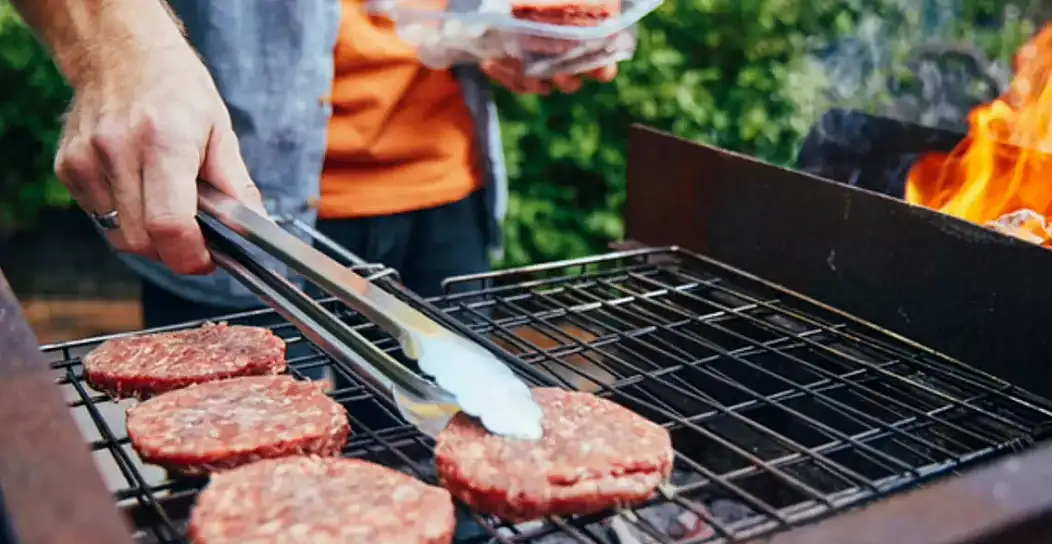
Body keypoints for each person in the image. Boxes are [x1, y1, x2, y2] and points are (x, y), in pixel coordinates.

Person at [10, 0, 619, 330]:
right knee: (244, 501)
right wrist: (119, 50)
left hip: (448, 197)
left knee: (457, 489)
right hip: (235, 209)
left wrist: (510, 28)